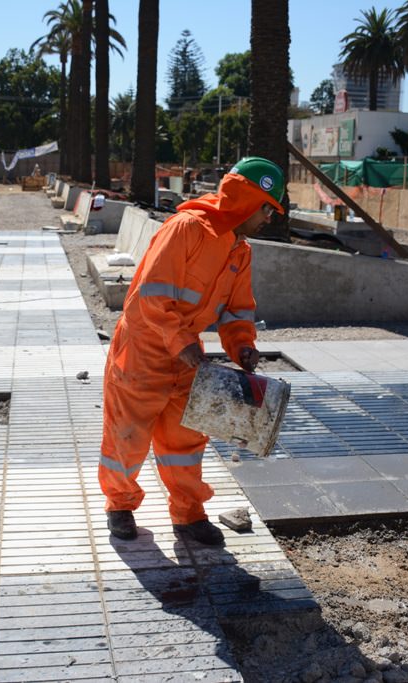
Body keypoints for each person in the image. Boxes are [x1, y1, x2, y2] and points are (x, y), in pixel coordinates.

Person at [98, 156, 285, 545]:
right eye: (268, 207)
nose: (269, 217)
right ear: (248, 201)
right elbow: (150, 296)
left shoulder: (240, 251)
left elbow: (237, 311)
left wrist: (242, 346)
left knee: (185, 438)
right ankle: (120, 505)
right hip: (143, 348)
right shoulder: (185, 228)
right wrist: (180, 342)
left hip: (185, 352)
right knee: (128, 435)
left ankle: (188, 514)